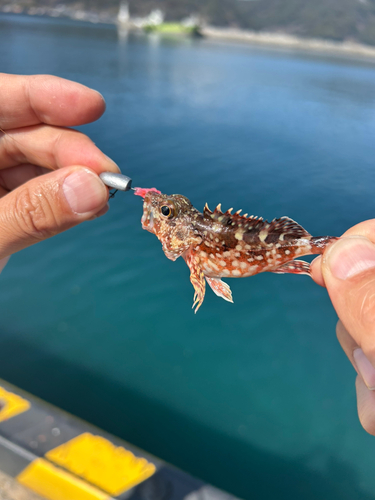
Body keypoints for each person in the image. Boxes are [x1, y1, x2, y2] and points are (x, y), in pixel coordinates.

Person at [1, 73, 375, 436]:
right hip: (278, 248)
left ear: (182, 226)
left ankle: (321, 247)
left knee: (313, 252)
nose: (159, 215)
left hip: (282, 247)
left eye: (167, 214)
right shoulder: (193, 240)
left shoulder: (195, 243)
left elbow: (201, 269)